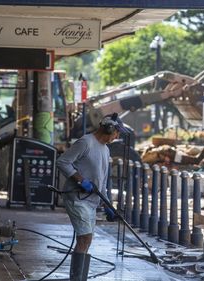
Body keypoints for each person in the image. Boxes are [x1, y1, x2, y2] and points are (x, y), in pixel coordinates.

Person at [57, 113, 128, 281]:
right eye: (117, 132)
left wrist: (108, 206)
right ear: (109, 129)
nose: (117, 136)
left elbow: (101, 184)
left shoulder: (105, 150)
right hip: (76, 197)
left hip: (91, 201)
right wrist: (80, 179)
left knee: (86, 240)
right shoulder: (85, 142)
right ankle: (77, 278)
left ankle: (80, 277)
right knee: (85, 237)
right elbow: (63, 161)